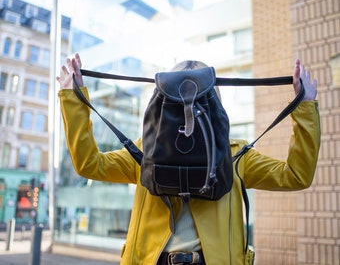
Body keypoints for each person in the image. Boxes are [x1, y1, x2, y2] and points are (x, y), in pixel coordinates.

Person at [57, 53, 320, 265]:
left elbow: (296, 177)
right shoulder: (231, 154)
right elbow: (90, 165)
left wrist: (73, 98)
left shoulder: (229, 153)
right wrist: (72, 97)